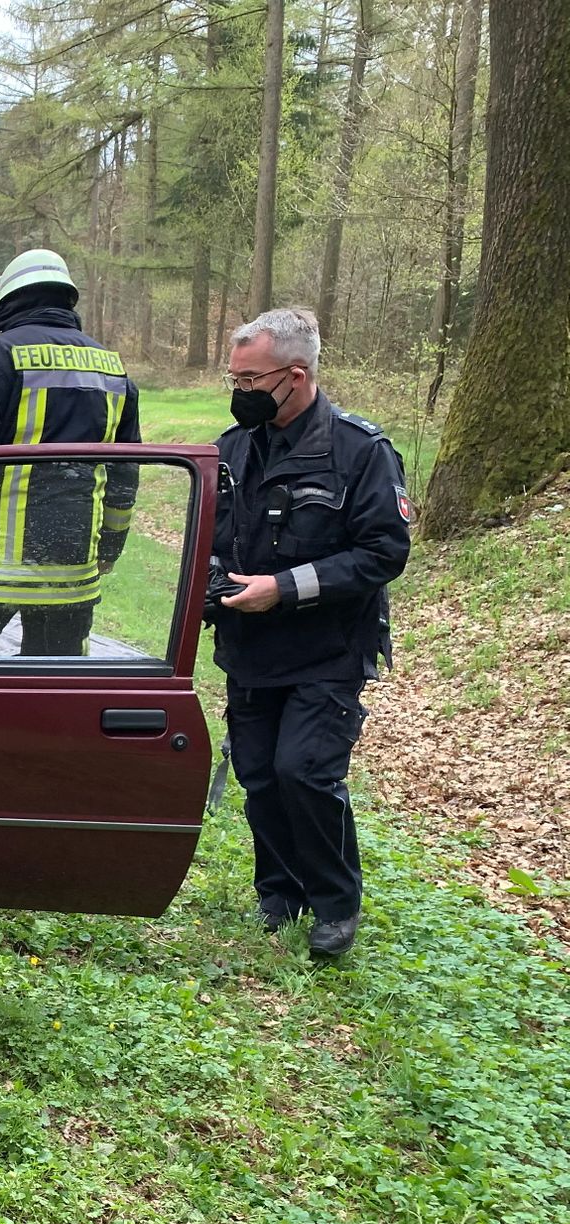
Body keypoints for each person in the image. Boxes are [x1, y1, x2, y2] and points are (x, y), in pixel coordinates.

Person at [210, 307, 411, 958]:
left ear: (295, 376)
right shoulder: (230, 450)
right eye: (234, 380)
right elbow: (210, 536)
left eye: (250, 380)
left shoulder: (361, 452)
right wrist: (212, 580)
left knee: (304, 771)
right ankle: (279, 894)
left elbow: (383, 552)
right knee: (260, 774)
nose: (240, 392)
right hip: (250, 648)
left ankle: (334, 904)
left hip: (328, 650)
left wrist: (284, 588)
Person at [0, 248, 140, 657]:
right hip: (68, 573)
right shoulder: (112, 368)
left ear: (10, 299)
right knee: (54, 687)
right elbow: (124, 474)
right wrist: (111, 546)